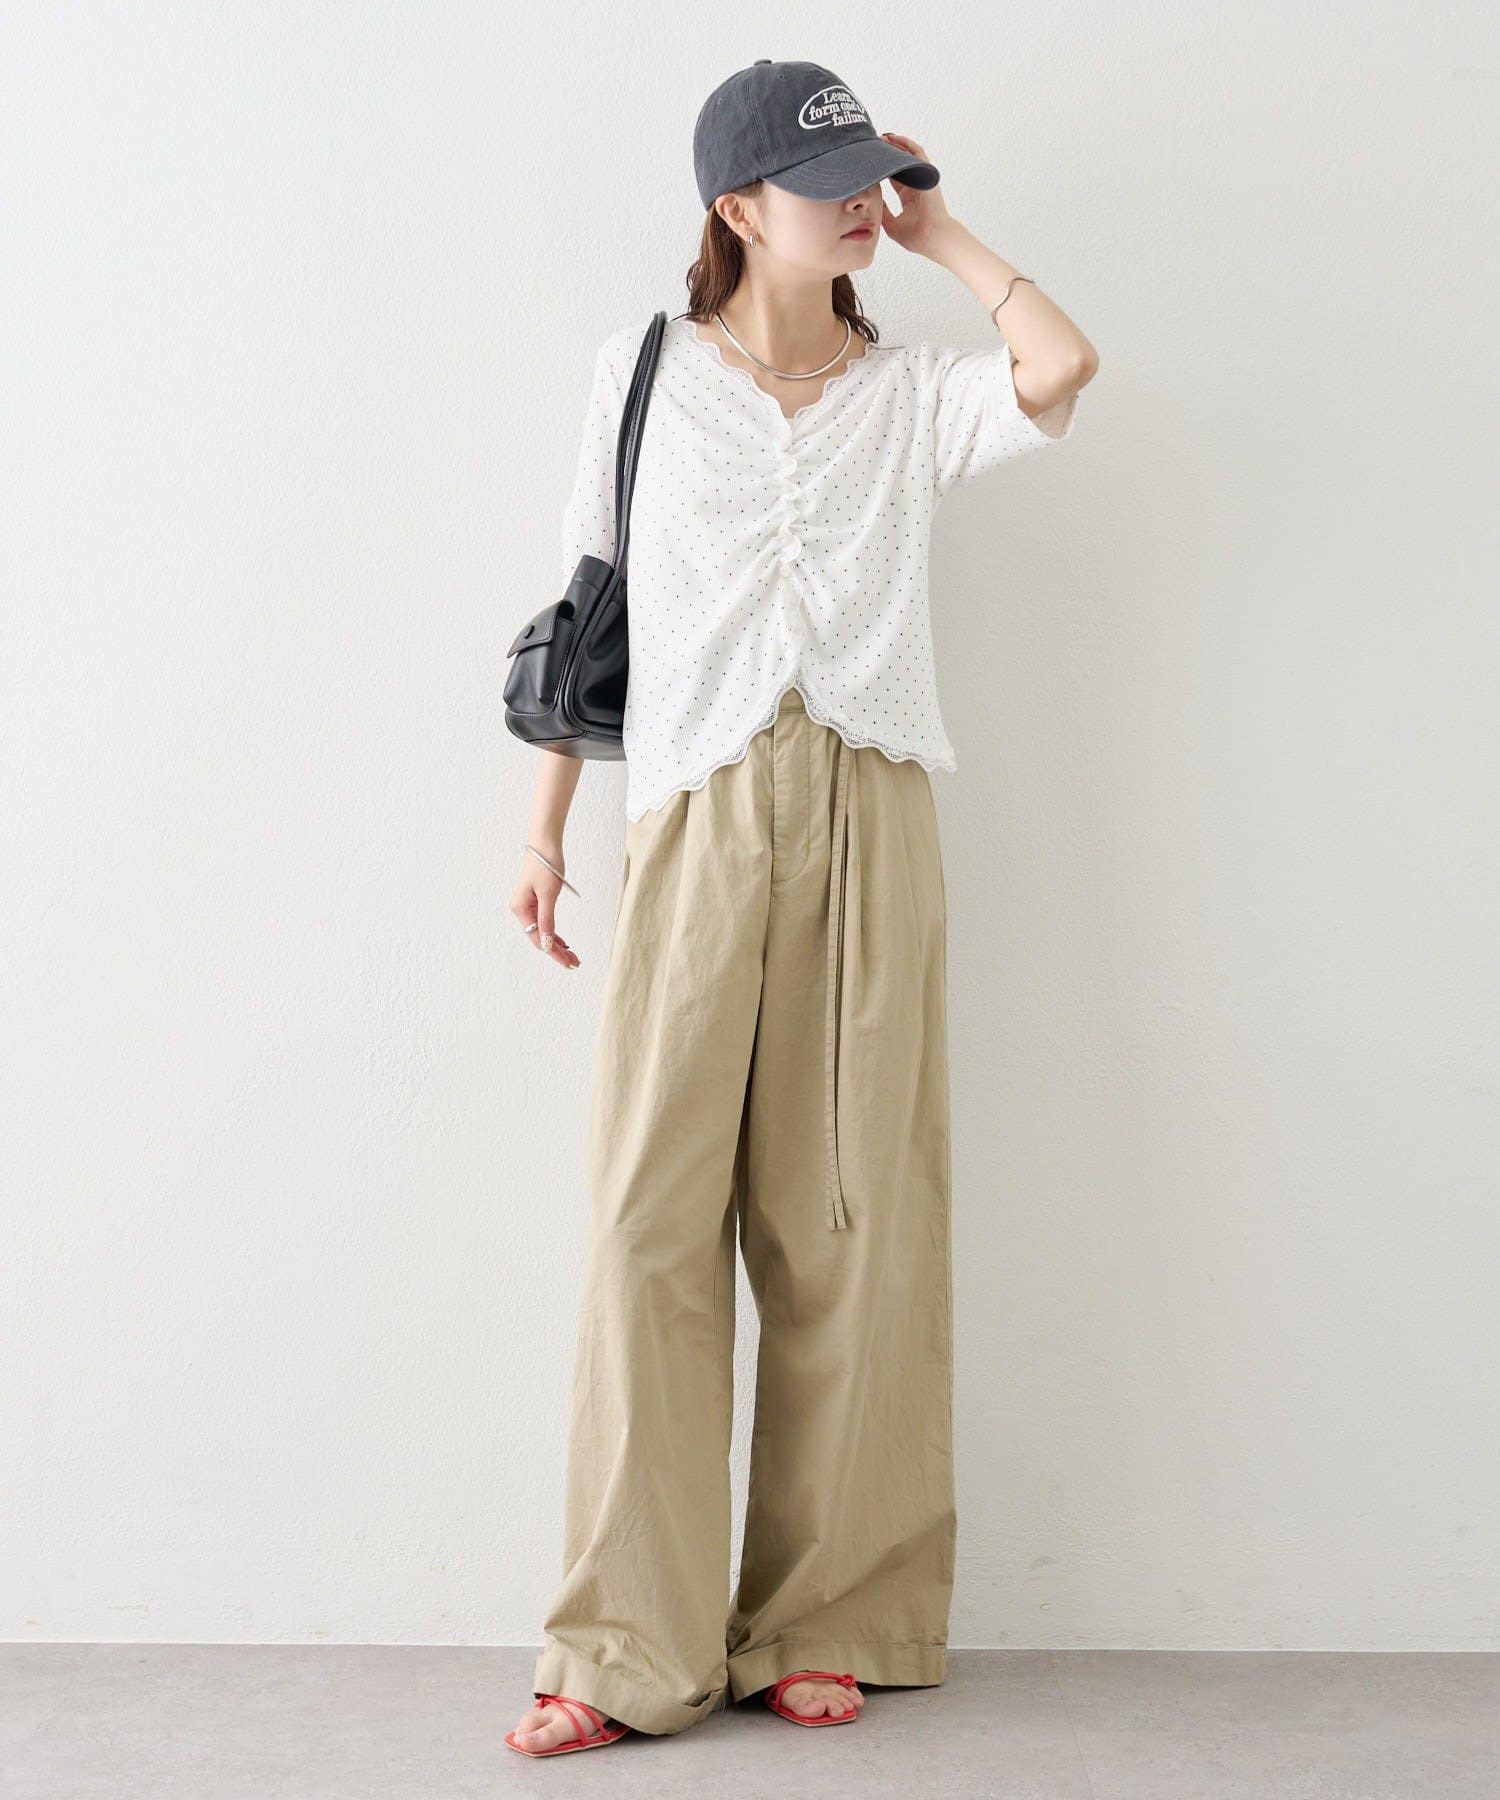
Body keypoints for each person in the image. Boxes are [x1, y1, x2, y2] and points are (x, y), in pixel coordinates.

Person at [505, 58, 1098, 1758]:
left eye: (871, 176)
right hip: (693, 812)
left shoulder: (909, 394)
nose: (857, 203)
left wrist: (945, 237)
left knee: (851, 1219)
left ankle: (830, 1616)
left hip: (869, 806)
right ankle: (623, 1645)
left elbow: (1061, 366)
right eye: (825, 182)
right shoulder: (642, 372)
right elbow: (587, 594)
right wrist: (544, 832)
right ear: (734, 207)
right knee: (649, 1226)